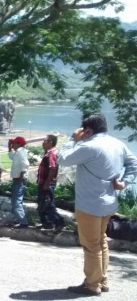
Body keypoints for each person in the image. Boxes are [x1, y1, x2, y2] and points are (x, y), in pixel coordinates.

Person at [58, 114, 137, 296]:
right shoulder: (117, 143)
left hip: (90, 204)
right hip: (108, 202)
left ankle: (92, 285)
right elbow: (133, 163)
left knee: (91, 245)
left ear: (87, 130)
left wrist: (73, 139)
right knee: (100, 241)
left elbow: (63, 159)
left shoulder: (89, 146)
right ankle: (102, 280)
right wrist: (124, 183)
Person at [35, 135, 66, 232]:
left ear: (51, 142)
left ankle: (58, 221)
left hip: (47, 184)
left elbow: (52, 168)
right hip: (44, 183)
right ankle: (47, 223)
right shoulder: (48, 152)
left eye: (45, 141)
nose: (43, 142)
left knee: (47, 204)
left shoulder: (51, 153)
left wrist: (47, 183)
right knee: (42, 203)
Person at [8, 136, 30, 228]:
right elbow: (11, 156)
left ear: (18, 144)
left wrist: (21, 177)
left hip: (19, 180)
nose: (12, 144)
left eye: (13, 143)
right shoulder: (18, 152)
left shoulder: (21, 152)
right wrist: (9, 148)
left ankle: (23, 221)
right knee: (16, 200)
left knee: (16, 201)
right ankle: (21, 220)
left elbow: (25, 164)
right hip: (18, 179)